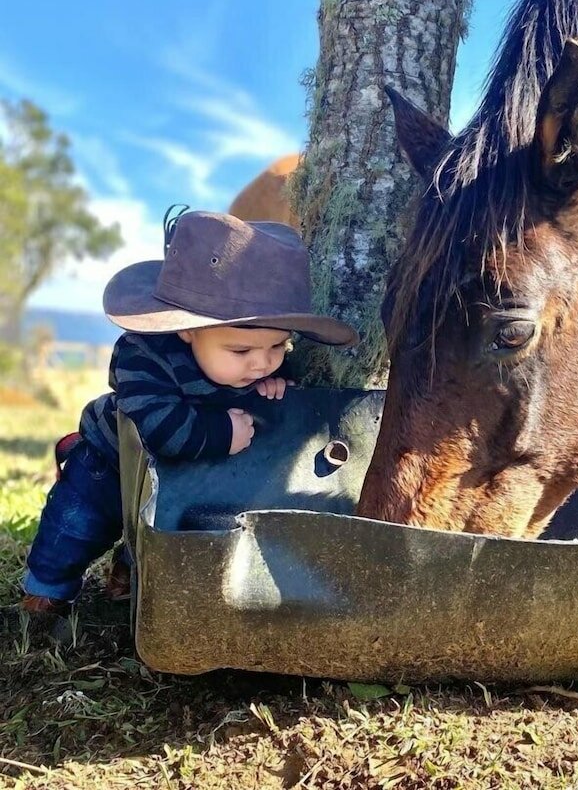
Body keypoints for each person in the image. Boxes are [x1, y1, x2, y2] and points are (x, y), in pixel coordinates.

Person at [21, 206, 357, 616]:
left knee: (164, 522)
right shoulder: (143, 356)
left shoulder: (256, 365)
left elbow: (268, 372)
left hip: (185, 473)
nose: (261, 363)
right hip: (111, 465)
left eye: (277, 346)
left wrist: (276, 385)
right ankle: (46, 591)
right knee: (75, 526)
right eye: (241, 350)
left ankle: (128, 575)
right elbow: (158, 428)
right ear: (186, 329)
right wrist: (221, 433)